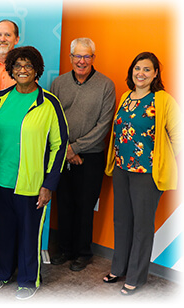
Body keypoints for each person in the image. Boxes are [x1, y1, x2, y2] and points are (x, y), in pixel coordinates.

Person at [0, 46, 68, 300]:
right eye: (17, 65)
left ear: (37, 70)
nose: (22, 70)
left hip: (32, 184)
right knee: (2, 231)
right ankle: (1, 272)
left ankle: (29, 279)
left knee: (29, 234)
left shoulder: (49, 103)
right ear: (10, 69)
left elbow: (59, 145)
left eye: (28, 66)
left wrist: (49, 184)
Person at [103, 52, 180, 295]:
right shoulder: (126, 97)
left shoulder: (163, 100)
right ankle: (119, 267)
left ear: (156, 73)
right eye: (138, 68)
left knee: (142, 226)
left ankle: (136, 276)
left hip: (146, 173)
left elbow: (179, 136)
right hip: (121, 168)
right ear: (132, 71)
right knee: (122, 221)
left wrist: (162, 160)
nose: (141, 73)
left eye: (147, 69)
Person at [49, 38, 116, 271]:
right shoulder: (58, 84)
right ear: (70, 58)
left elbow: (104, 125)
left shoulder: (106, 85)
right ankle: (65, 250)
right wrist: (66, 150)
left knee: (85, 206)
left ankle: (83, 252)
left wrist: (74, 149)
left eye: (87, 56)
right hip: (62, 154)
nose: (81, 61)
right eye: (77, 56)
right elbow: (53, 119)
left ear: (93, 58)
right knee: (64, 203)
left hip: (90, 157)